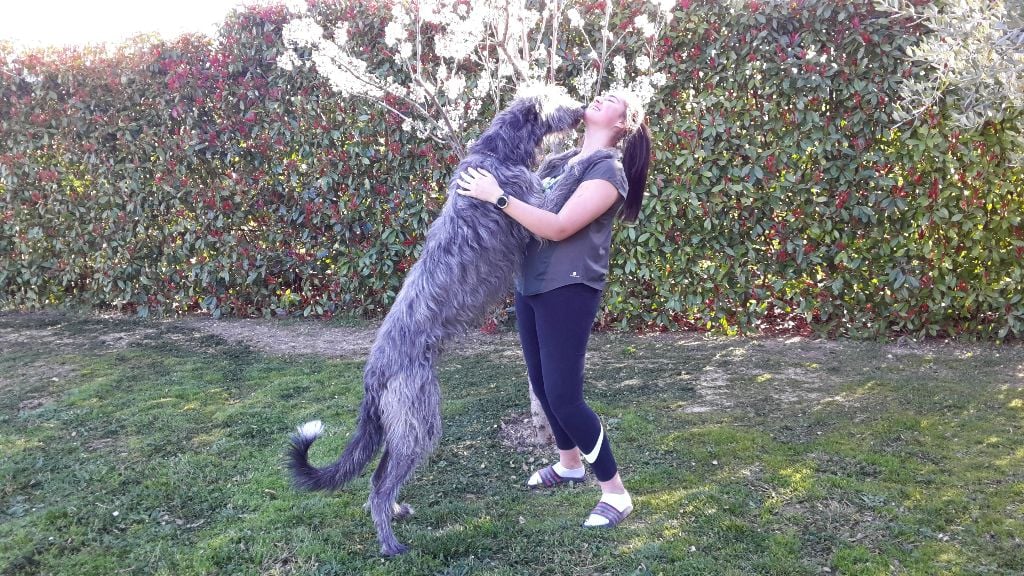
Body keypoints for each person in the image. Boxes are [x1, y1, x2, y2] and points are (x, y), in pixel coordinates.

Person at [455, 88, 651, 527]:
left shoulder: (608, 171)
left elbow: (559, 227)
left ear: (623, 123)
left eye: (612, 99)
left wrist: (497, 196)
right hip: (531, 283)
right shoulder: (559, 164)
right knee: (543, 387)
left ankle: (615, 492)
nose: (600, 97)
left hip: (569, 287)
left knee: (565, 397)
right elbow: (528, 212)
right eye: (602, 93)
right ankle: (569, 464)